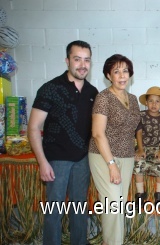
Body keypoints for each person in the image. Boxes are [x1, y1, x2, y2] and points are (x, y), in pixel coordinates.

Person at [28, 40, 98, 245]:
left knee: (80, 209)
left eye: (87, 60)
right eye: (77, 59)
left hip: (82, 159)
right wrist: (42, 162)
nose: (82, 65)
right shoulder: (50, 88)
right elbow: (33, 128)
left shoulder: (92, 92)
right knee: (54, 211)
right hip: (56, 159)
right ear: (67, 61)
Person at [88, 54, 140, 245]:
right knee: (113, 205)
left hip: (127, 156)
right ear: (108, 75)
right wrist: (111, 164)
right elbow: (97, 133)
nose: (122, 75)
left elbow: (134, 129)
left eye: (125, 71)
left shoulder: (133, 99)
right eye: (116, 71)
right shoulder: (104, 98)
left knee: (119, 205)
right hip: (104, 156)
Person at [134, 86, 160, 207]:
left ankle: (159, 195)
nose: (154, 104)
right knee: (138, 163)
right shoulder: (141, 115)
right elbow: (138, 132)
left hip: (158, 148)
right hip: (143, 146)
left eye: (157, 101)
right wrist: (140, 149)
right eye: (150, 101)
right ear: (146, 102)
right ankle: (140, 194)